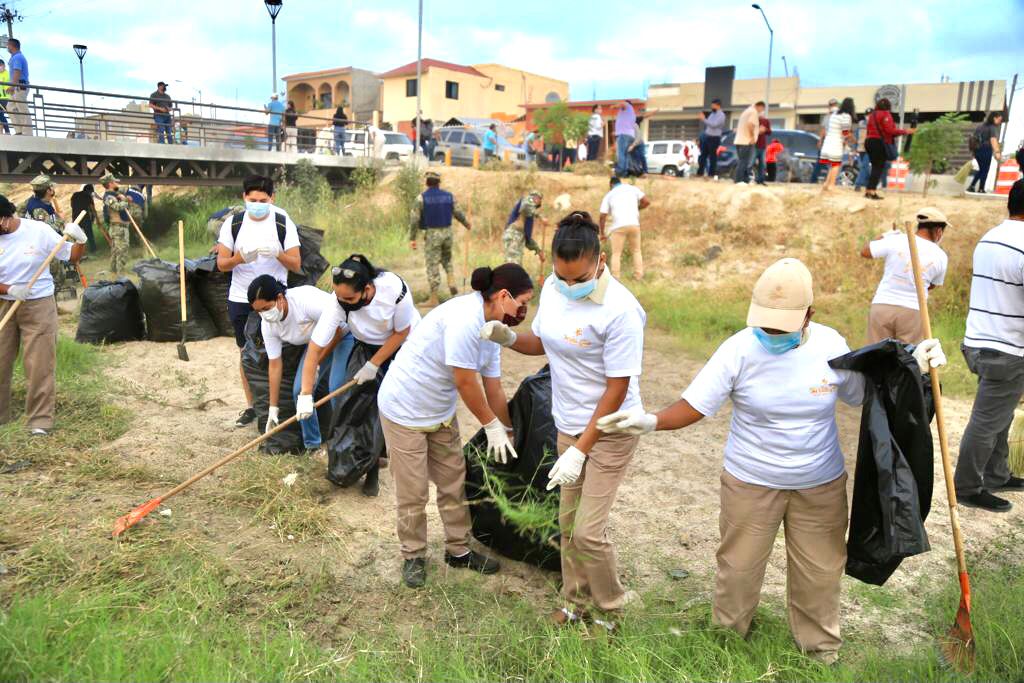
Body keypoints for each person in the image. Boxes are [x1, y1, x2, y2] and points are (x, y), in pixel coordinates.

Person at [596, 257, 946, 663]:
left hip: (819, 484)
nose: (771, 334)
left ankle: (819, 650)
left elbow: (864, 395)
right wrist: (650, 420)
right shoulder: (739, 348)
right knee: (738, 569)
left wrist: (911, 367)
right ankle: (727, 640)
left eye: (782, 327)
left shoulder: (830, 345)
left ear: (809, 315)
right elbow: (696, 404)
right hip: (751, 481)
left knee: (820, 572)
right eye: (765, 325)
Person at [481, 211, 646, 623]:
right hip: (567, 423)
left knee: (590, 532)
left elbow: (618, 388)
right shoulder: (555, 290)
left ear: (600, 260)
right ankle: (576, 604)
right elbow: (545, 342)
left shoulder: (622, 311)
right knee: (568, 524)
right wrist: (508, 337)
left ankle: (611, 612)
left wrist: (580, 452)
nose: (570, 286)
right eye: (562, 276)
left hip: (611, 429)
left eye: (580, 278)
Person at [378, 263, 533, 588]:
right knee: (413, 491)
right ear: (504, 296)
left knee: (453, 481)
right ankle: (414, 555)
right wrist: (490, 425)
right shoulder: (465, 320)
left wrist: (506, 430)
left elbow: (492, 385)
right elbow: (465, 382)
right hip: (404, 409)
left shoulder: (494, 327)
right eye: (523, 302)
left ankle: (458, 550)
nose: (524, 311)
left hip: (439, 412)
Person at [300, 254, 421, 496]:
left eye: (349, 298)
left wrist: (374, 365)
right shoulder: (339, 302)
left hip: (403, 347)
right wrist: (305, 393)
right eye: (339, 296)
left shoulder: (394, 290)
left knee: (382, 408)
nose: (343, 302)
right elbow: (314, 348)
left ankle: (374, 470)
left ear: (367, 289)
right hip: (365, 347)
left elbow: (401, 331)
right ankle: (356, 462)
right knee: (352, 405)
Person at [954, 180, 1024, 512]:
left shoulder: (991, 237)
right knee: (986, 420)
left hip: (979, 342)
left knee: (1000, 413)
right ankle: (967, 486)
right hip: (1007, 347)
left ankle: (997, 474)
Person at [215, 175, 302, 429]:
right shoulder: (234, 223)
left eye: (263, 200)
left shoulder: (282, 221)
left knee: (279, 352)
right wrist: (239, 259)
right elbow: (222, 264)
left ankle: (282, 403)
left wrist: (278, 253)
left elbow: (296, 263)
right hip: (241, 299)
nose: (257, 204)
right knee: (246, 354)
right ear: (244, 198)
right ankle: (252, 406)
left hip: (274, 298)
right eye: (252, 200)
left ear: (272, 198)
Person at [0, 194, 87, 436]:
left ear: (4, 219)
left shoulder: (38, 231)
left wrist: (80, 240)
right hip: (4, 304)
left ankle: (39, 420)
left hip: (38, 305)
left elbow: (72, 255)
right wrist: (9, 289)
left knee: (38, 363)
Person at [246, 275, 350, 455]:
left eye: (266, 308)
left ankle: (345, 444)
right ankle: (313, 446)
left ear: (279, 298)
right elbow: (275, 365)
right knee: (299, 392)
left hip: (343, 335)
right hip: (315, 345)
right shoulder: (268, 325)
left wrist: (316, 364)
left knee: (336, 388)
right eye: (258, 312)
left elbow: (338, 330)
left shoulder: (305, 300)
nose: (264, 314)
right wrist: (273, 407)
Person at [860, 207, 949, 344]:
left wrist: (885, 236)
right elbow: (932, 285)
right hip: (913, 310)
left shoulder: (896, 240)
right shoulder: (940, 256)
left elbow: (865, 251)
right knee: (908, 359)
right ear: (938, 231)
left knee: (876, 357)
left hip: (883, 306)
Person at [409, 171, 471, 306]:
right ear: (438, 183)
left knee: (432, 264)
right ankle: (451, 281)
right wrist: (466, 223)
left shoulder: (421, 198)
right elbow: (458, 213)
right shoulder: (449, 196)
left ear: (427, 182)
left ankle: (433, 298)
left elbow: (414, 219)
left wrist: (412, 238)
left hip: (432, 233)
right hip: (448, 232)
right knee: (447, 259)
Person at [864, 98, 916, 200]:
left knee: (875, 167)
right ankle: (872, 192)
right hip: (878, 143)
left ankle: (868, 191)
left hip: (869, 141)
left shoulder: (872, 115)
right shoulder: (886, 114)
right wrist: (906, 131)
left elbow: (871, 130)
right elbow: (890, 131)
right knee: (878, 168)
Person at [599, 177, 650, 280]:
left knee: (616, 253)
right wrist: (637, 208)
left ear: (611, 185)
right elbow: (646, 202)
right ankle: (638, 276)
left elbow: (602, 215)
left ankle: (616, 277)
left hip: (618, 226)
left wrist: (602, 233)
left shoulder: (609, 194)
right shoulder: (632, 188)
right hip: (634, 224)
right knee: (636, 251)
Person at [100, 173, 132, 276]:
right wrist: (126, 201)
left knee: (115, 251)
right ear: (110, 183)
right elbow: (117, 207)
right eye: (114, 182)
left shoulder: (114, 194)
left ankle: (113, 271)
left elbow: (123, 190)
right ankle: (120, 274)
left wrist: (123, 197)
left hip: (120, 228)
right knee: (121, 251)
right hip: (118, 228)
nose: (116, 183)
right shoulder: (109, 197)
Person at [503, 190, 547, 265]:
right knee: (512, 265)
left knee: (517, 267)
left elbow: (528, 240)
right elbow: (526, 206)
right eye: (539, 199)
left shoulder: (529, 216)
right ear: (536, 198)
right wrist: (540, 216)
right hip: (514, 234)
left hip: (520, 237)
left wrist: (539, 251)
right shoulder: (528, 200)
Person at [821, 97, 855, 193]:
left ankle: (826, 184)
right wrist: (852, 139)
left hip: (828, 140)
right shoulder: (846, 116)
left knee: (832, 164)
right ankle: (831, 186)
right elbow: (845, 133)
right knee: (836, 164)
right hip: (836, 142)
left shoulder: (834, 114)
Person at [967, 112, 1004, 194]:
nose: (999, 122)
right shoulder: (992, 127)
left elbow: (974, 139)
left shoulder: (980, 126)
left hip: (976, 150)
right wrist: (997, 152)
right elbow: (993, 140)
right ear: (994, 118)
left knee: (982, 169)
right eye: (999, 119)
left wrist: (973, 153)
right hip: (986, 149)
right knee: (985, 170)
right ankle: (981, 188)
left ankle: (972, 186)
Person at [733, 101, 764, 184]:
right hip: (746, 141)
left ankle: (744, 180)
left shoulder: (746, 111)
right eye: (762, 109)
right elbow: (750, 124)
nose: (761, 111)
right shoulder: (753, 112)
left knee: (742, 161)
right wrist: (752, 136)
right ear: (760, 106)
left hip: (739, 140)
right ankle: (739, 180)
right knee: (744, 162)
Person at [810, 99, 839, 185]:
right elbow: (823, 130)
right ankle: (814, 180)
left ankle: (830, 181)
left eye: (834, 105)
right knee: (821, 162)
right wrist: (820, 140)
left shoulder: (839, 116)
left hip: (834, 140)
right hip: (827, 141)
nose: (833, 106)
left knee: (832, 162)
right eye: (831, 105)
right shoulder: (827, 117)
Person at [5, 38, 30, 136]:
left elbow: (17, 72)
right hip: (17, 86)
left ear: (12, 46)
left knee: (22, 108)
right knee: (10, 107)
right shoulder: (16, 57)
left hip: (20, 86)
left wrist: (12, 85)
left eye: (8, 45)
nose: (7, 47)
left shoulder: (18, 57)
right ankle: (19, 130)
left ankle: (27, 132)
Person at [697, 99, 726, 178]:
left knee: (712, 157)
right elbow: (708, 125)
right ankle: (700, 173)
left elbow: (714, 125)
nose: (712, 107)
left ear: (718, 105)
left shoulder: (721, 115)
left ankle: (711, 174)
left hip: (714, 138)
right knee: (703, 155)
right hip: (707, 137)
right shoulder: (712, 114)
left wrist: (704, 119)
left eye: (713, 105)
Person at [70, 184, 100, 253]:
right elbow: (93, 209)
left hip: (75, 217)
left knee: (77, 236)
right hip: (85, 217)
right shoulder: (88, 196)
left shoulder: (75, 195)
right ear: (90, 191)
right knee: (89, 234)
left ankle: (77, 251)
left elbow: (72, 205)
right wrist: (97, 219)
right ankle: (93, 249)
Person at [614, 101, 637, 177]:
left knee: (621, 154)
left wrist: (614, 106)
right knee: (626, 155)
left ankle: (620, 172)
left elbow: (623, 103)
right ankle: (625, 173)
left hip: (624, 135)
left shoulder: (628, 107)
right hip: (630, 135)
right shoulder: (631, 112)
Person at [853, 111, 872, 190]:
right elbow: (857, 136)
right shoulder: (861, 124)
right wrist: (855, 148)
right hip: (861, 148)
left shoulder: (876, 124)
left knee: (864, 166)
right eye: (867, 115)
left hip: (870, 149)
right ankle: (868, 183)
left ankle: (858, 184)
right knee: (865, 167)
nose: (868, 116)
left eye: (870, 115)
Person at [754, 113, 772, 185]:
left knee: (762, 164)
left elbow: (769, 132)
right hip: (754, 145)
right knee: (751, 163)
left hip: (762, 146)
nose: (761, 114)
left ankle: (761, 180)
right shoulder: (754, 120)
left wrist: (765, 129)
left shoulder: (766, 121)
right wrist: (758, 129)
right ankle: (747, 179)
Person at [0, 59, 11, 135]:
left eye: (1, 65)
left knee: (13, 114)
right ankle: (6, 131)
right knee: (1, 115)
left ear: (4, 65)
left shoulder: (7, 74)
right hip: (1, 98)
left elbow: (6, 85)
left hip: (6, 98)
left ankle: (7, 131)